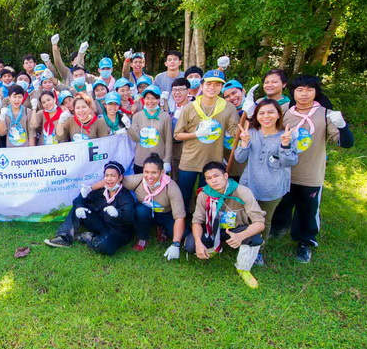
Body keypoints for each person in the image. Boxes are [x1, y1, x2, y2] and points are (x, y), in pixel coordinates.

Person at [272, 75, 354, 262]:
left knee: (307, 209)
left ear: (316, 92)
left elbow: (346, 143)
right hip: (285, 170)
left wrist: (342, 126)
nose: (304, 94)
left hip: (310, 172)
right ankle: (277, 229)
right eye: (300, 90)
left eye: (309, 90)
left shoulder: (325, 114)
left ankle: (304, 241)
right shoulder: (285, 111)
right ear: (293, 92)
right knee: (282, 203)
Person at [234, 99, 298, 265]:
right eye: (261, 113)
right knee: (245, 216)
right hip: (249, 183)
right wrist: (244, 142)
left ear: (278, 115)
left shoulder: (287, 134)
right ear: (256, 116)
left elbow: (290, 162)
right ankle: (243, 243)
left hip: (273, 186)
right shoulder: (251, 132)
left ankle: (258, 250)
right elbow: (239, 158)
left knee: (264, 220)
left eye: (270, 112)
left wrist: (285, 145)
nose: (266, 116)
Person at [183, 162, 266, 289]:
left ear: (225, 176)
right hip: (211, 228)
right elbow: (197, 221)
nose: (213, 181)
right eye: (209, 178)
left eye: (216, 176)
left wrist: (241, 236)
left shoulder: (242, 191)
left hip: (235, 229)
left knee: (254, 237)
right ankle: (213, 247)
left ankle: (243, 268)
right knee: (190, 245)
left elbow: (259, 223)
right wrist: (198, 242)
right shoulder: (204, 194)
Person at [174, 69, 239, 212]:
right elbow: (177, 135)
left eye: (217, 84)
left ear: (221, 88)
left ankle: (202, 221)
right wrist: (196, 134)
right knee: (184, 196)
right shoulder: (189, 107)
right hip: (190, 160)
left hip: (212, 161)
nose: (212, 88)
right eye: (209, 84)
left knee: (207, 198)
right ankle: (183, 221)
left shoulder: (228, 108)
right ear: (202, 86)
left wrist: (248, 117)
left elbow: (235, 131)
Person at [44, 161, 135, 255]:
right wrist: (79, 206)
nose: (109, 179)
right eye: (107, 175)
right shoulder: (101, 191)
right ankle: (64, 237)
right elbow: (81, 198)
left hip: (118, 231)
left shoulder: (125, 196)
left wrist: (118, 213)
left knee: (104, 246)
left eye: (113, 176)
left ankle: (86, 237)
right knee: (77, 208)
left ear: (120, 178)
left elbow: (130, 216)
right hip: (101, 223)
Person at [123, 153, 186, 255]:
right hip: (145, 213)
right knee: (140, 210)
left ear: (162, 172)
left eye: (154, 173)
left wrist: (175, 244)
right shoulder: (137, 180)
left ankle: (162, 228)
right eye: (146, 172)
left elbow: (179, 217)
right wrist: (93, 187)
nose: (149, 176)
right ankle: (143, 238)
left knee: (183, 234)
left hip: (165, 214)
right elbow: (114, 179)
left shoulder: (171, 187)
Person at [128, 85, 172, 174]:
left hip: (159, 160)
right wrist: (128, 127)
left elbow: (168, 140)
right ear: (144, 99)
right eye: (147, 98)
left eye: (154, 98)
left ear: (159, 100)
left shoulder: (165, 116)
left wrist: (167, 160)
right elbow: (136, 139)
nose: (150, 101)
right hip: (141, 160)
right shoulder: (137, 116)